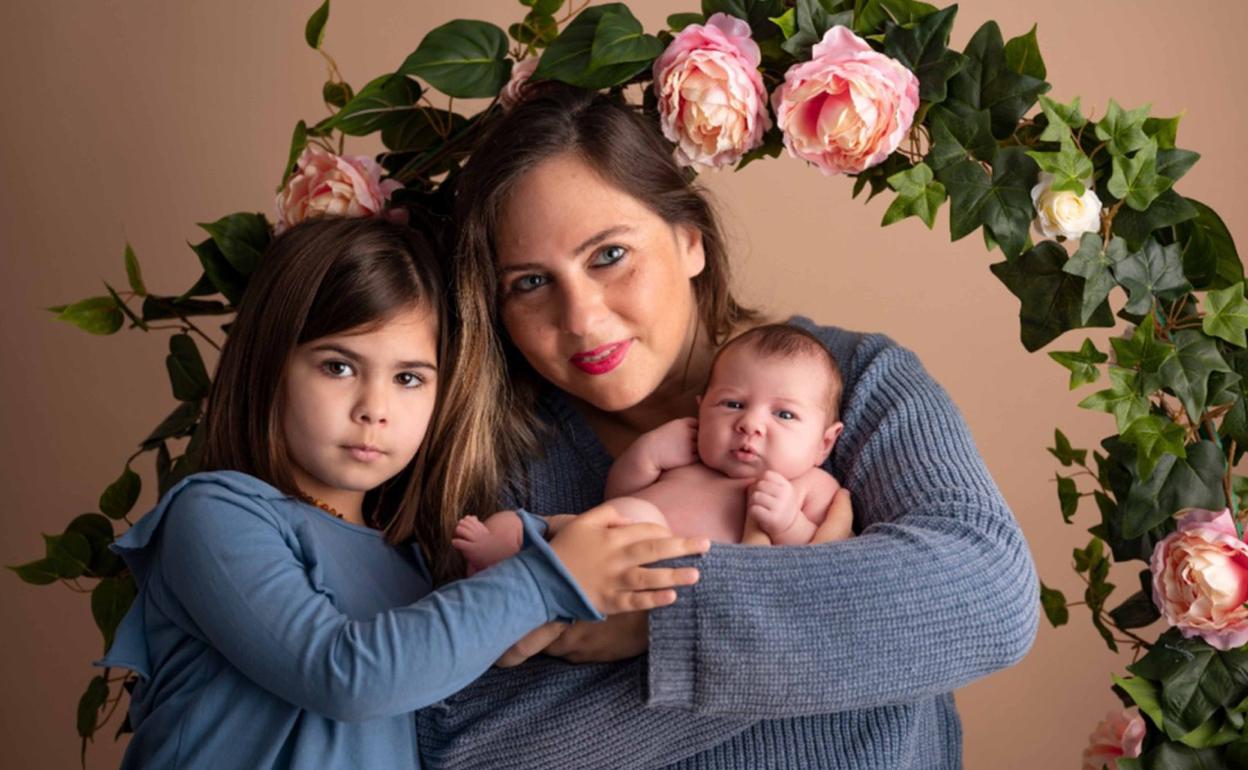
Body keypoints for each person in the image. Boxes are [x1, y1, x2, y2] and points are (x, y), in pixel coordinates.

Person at [415, 84, 1039, 769]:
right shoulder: (495, 459)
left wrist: (656, 622)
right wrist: (815, 599)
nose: (582, 317)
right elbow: (467, 748)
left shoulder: (856, 382)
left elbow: (988, 598)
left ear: (690, 240)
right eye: (531, 283)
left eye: (609, 255)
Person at [97, 216, 711, 770]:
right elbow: (343, 674)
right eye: (338, 366)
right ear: (268, 365)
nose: (375, 410)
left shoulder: (412, 568)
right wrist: (549, 577)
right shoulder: (216, 516)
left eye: (409, 378)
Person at [452, 323, 850, 570]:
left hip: (651, 578)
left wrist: (788, 524)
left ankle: (530, 580)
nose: (750, 423)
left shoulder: (810, 485)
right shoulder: (690, 461)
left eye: (784, 415)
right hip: (594, 540)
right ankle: (509, 565)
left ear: (824, 442)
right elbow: (618, 494)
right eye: (732, 405)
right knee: (510, 523)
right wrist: (648, 453)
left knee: (635, 516)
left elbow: (821, 555)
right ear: (703, 409)